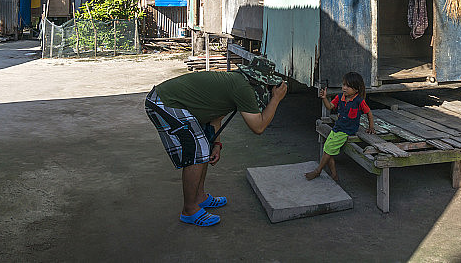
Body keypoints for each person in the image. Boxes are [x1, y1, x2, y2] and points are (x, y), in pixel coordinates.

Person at [145, 56, 288, 227]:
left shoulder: (238, 81)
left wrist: (217, 144)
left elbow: (216, 115)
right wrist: (276, 99)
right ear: (262, 81)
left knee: (205, 144)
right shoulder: (243, 88)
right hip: (162, 102)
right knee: (198, 151)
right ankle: (189, 210)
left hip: (168, 100)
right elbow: (258, 127)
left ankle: (200, 198)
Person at [305, 72, 374, 181]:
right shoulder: (340, 97)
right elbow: (329, 107)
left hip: (347, 130)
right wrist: (324, 98)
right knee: (328, 150)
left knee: (328, 150)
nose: (344, 88)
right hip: (338, 127)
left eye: (348, 86)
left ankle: (318, 171)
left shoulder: (359, 101)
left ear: (356, 89)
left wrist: (371, 127)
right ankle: (334, 175)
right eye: (343, 85)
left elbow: (369, 113)